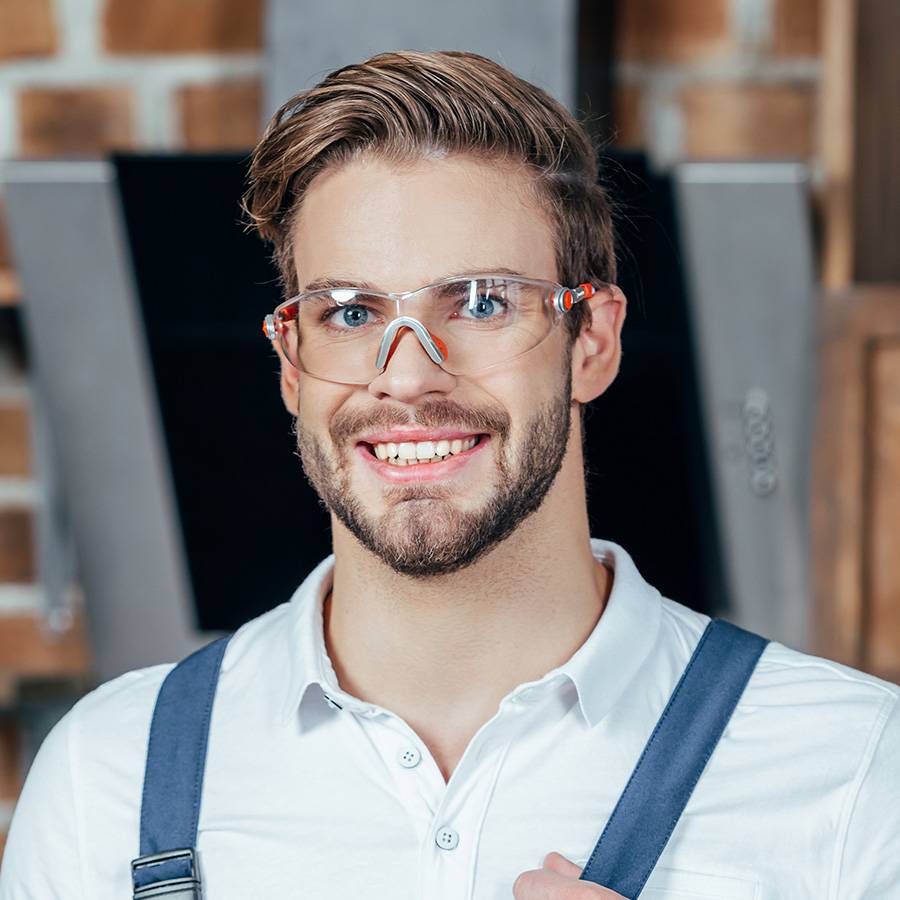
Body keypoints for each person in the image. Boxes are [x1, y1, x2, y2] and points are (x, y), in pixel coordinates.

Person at [1, 50, 898, 900]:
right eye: (349, 312)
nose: (406, 376)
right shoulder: (105, 778)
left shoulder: (854, 768)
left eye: (480, 302)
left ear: (592, 340)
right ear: (289, 364)